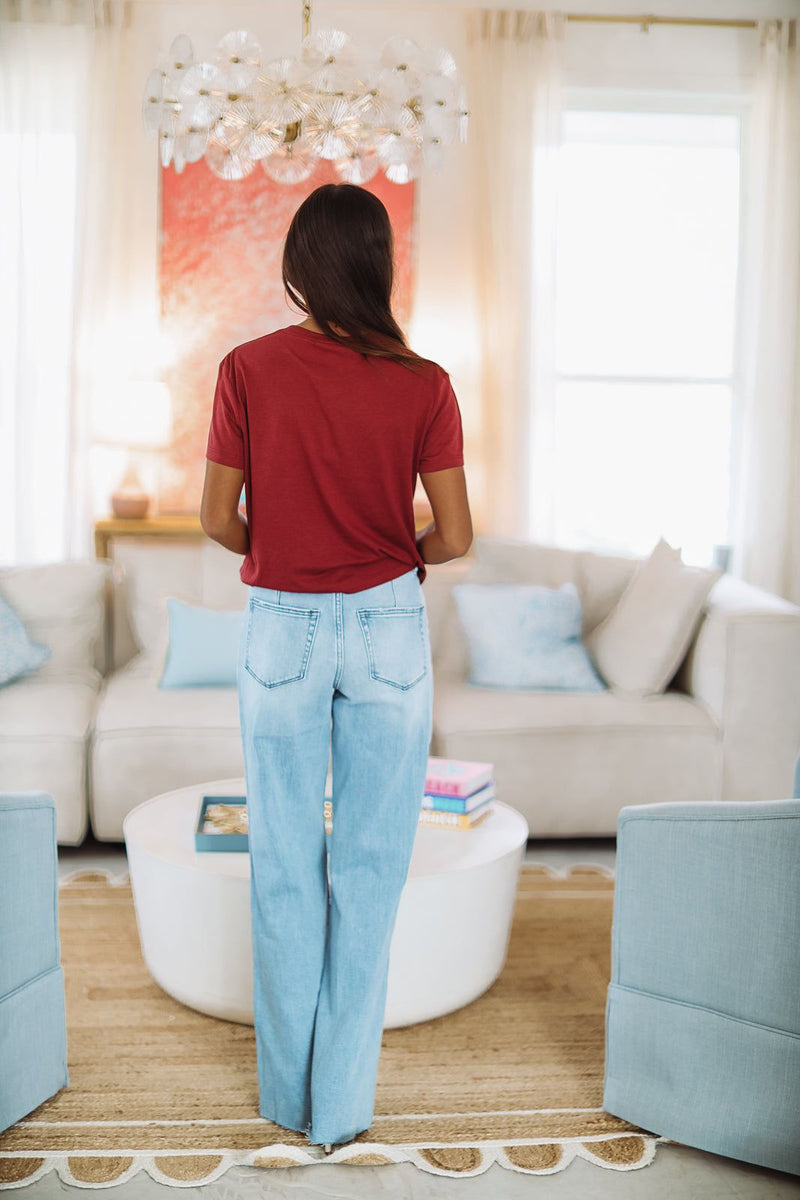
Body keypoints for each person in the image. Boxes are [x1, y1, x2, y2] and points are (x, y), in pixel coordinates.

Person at [199, 181, 473, 1154]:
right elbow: (457, 537)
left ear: (299, 266)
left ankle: (286, 1098)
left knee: (282, 858)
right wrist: (394, 558)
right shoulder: (425, 383)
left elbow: (215, 517)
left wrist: (277, 552)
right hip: (389, 620)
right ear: (377, 265)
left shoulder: (246, 369)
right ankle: (342, 1108)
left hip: (282, 620)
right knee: (370, 866)